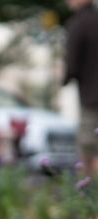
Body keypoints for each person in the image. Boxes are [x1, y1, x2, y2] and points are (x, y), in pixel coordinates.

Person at [63, 0, 98, 178]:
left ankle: (89, 187)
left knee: (88, 145)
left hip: (91, 96)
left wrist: (65, 79)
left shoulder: (78, 24)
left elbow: (72, 65)